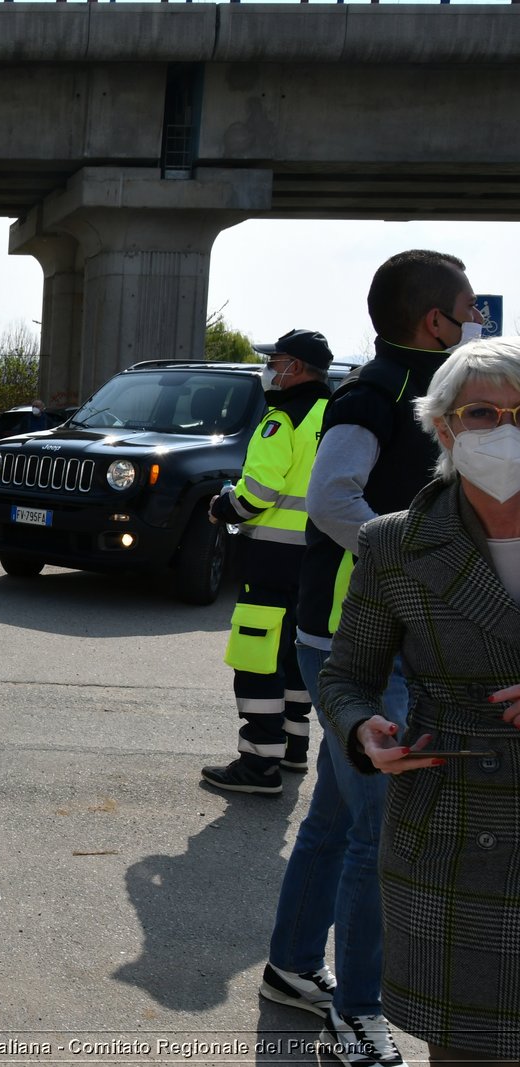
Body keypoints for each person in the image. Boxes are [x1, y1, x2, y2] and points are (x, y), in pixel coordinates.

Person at [262, 249, 479, 1067]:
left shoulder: (436, 394)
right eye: (469, 307)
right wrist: (419, 564)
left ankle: (290, 965)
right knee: (378, 831)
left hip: (384, 635)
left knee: (336, 814)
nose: (477, 320)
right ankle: (357, 1011)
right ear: (437, 321)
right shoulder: (375, 392)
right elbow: (330, 499)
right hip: (353, 640)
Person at [319, 337, 520, 1067]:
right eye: (483, 412)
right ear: (443, 427)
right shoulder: (393, 544)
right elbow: (344, 678)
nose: (507, 428)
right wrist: (362, 732)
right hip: (451, 827)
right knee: (468, 1052)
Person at [201, 329, 333, 796]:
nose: (268, 369)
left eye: (274, 361)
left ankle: (258, 765)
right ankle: (294, 750)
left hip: (273, 559)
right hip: (319, 560)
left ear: (294, 367)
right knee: (298, 658)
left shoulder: (281, 419)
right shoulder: (331, 412)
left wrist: (222, 506)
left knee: (258, 659)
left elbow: (257, 493)